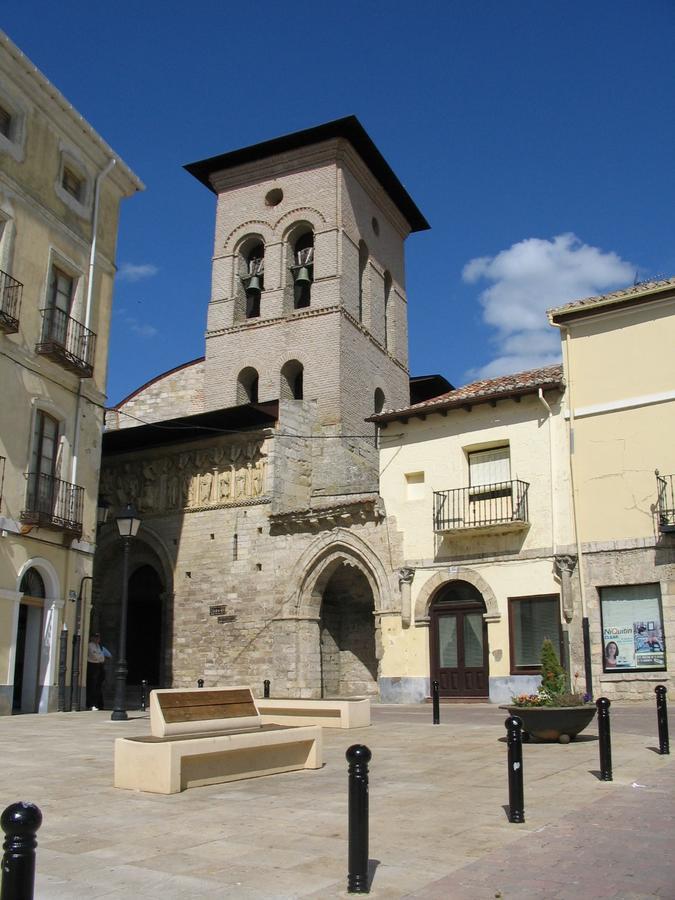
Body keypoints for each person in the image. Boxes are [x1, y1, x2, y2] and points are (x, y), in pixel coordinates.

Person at [86, 633, 111, 710]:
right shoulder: (90, 645)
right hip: (92, 666)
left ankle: (98, 704)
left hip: (99, 666)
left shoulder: (99, 646)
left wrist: (100, 658)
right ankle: (91, 704)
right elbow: (95, 656)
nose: (97, 639)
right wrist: (100, 658)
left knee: (98, 687)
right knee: (92, 686)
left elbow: (106, 656)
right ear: (92, 638)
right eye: (95, 637)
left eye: (98, 637)